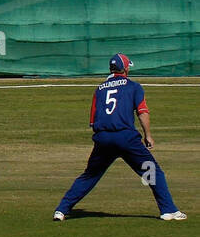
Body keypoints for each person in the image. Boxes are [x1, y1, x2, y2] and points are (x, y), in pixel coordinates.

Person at [55, 54, 185, 221]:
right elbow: (142, 112)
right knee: (152, 171)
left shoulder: (100, 89)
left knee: (90, 176)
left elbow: (93, 121)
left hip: (103, 139)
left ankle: (61, 210)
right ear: (125, 68)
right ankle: (168, 210)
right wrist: (148, 136)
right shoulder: (134, 87)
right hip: (126, 138)